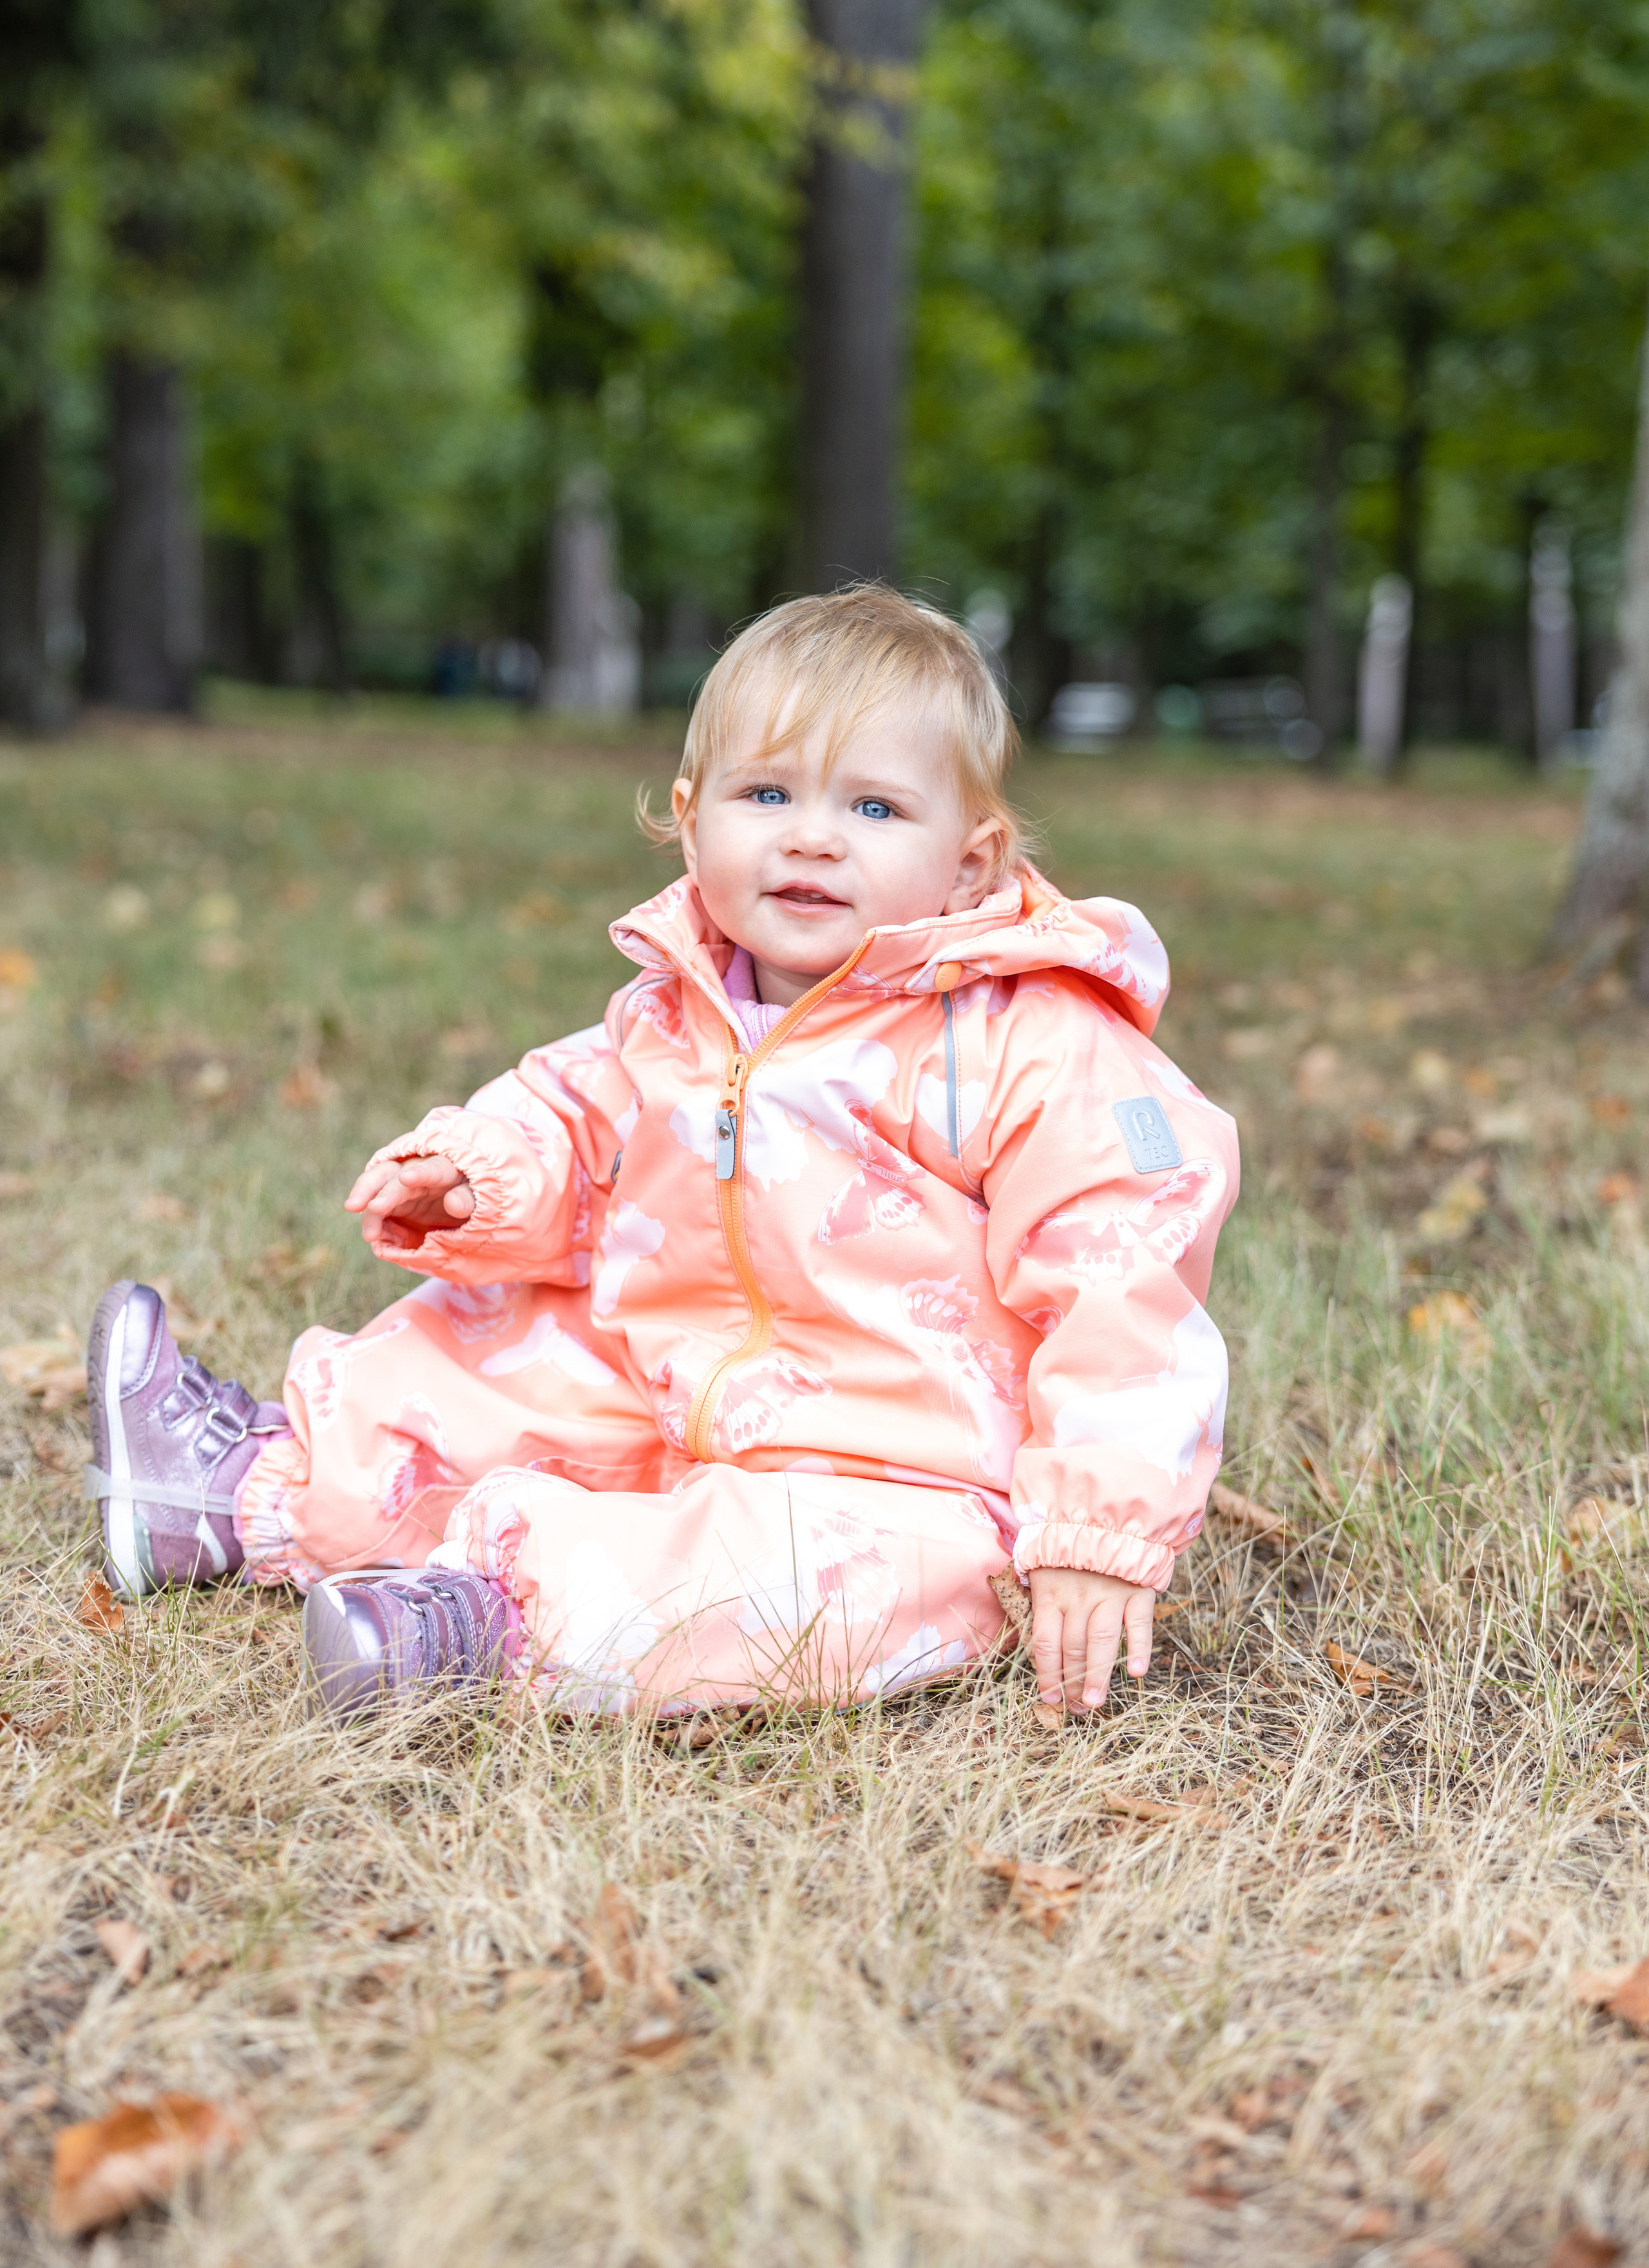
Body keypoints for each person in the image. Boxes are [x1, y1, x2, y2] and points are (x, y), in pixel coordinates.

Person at [82, 588, 1239, 1723]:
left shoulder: (1020, 1041)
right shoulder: (671, 1014)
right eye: (767, 792)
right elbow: (568, 1117)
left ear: (973, 862)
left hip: (899, 1471)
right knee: (480, 1359)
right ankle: (230, 1493)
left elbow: (1126, 1278)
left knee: (800, 1583)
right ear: (693, 818)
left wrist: (1096, 1525)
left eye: (876, 810)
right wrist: (488, 1175)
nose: (812, 836)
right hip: (666, 1388)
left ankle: (483, 1627)